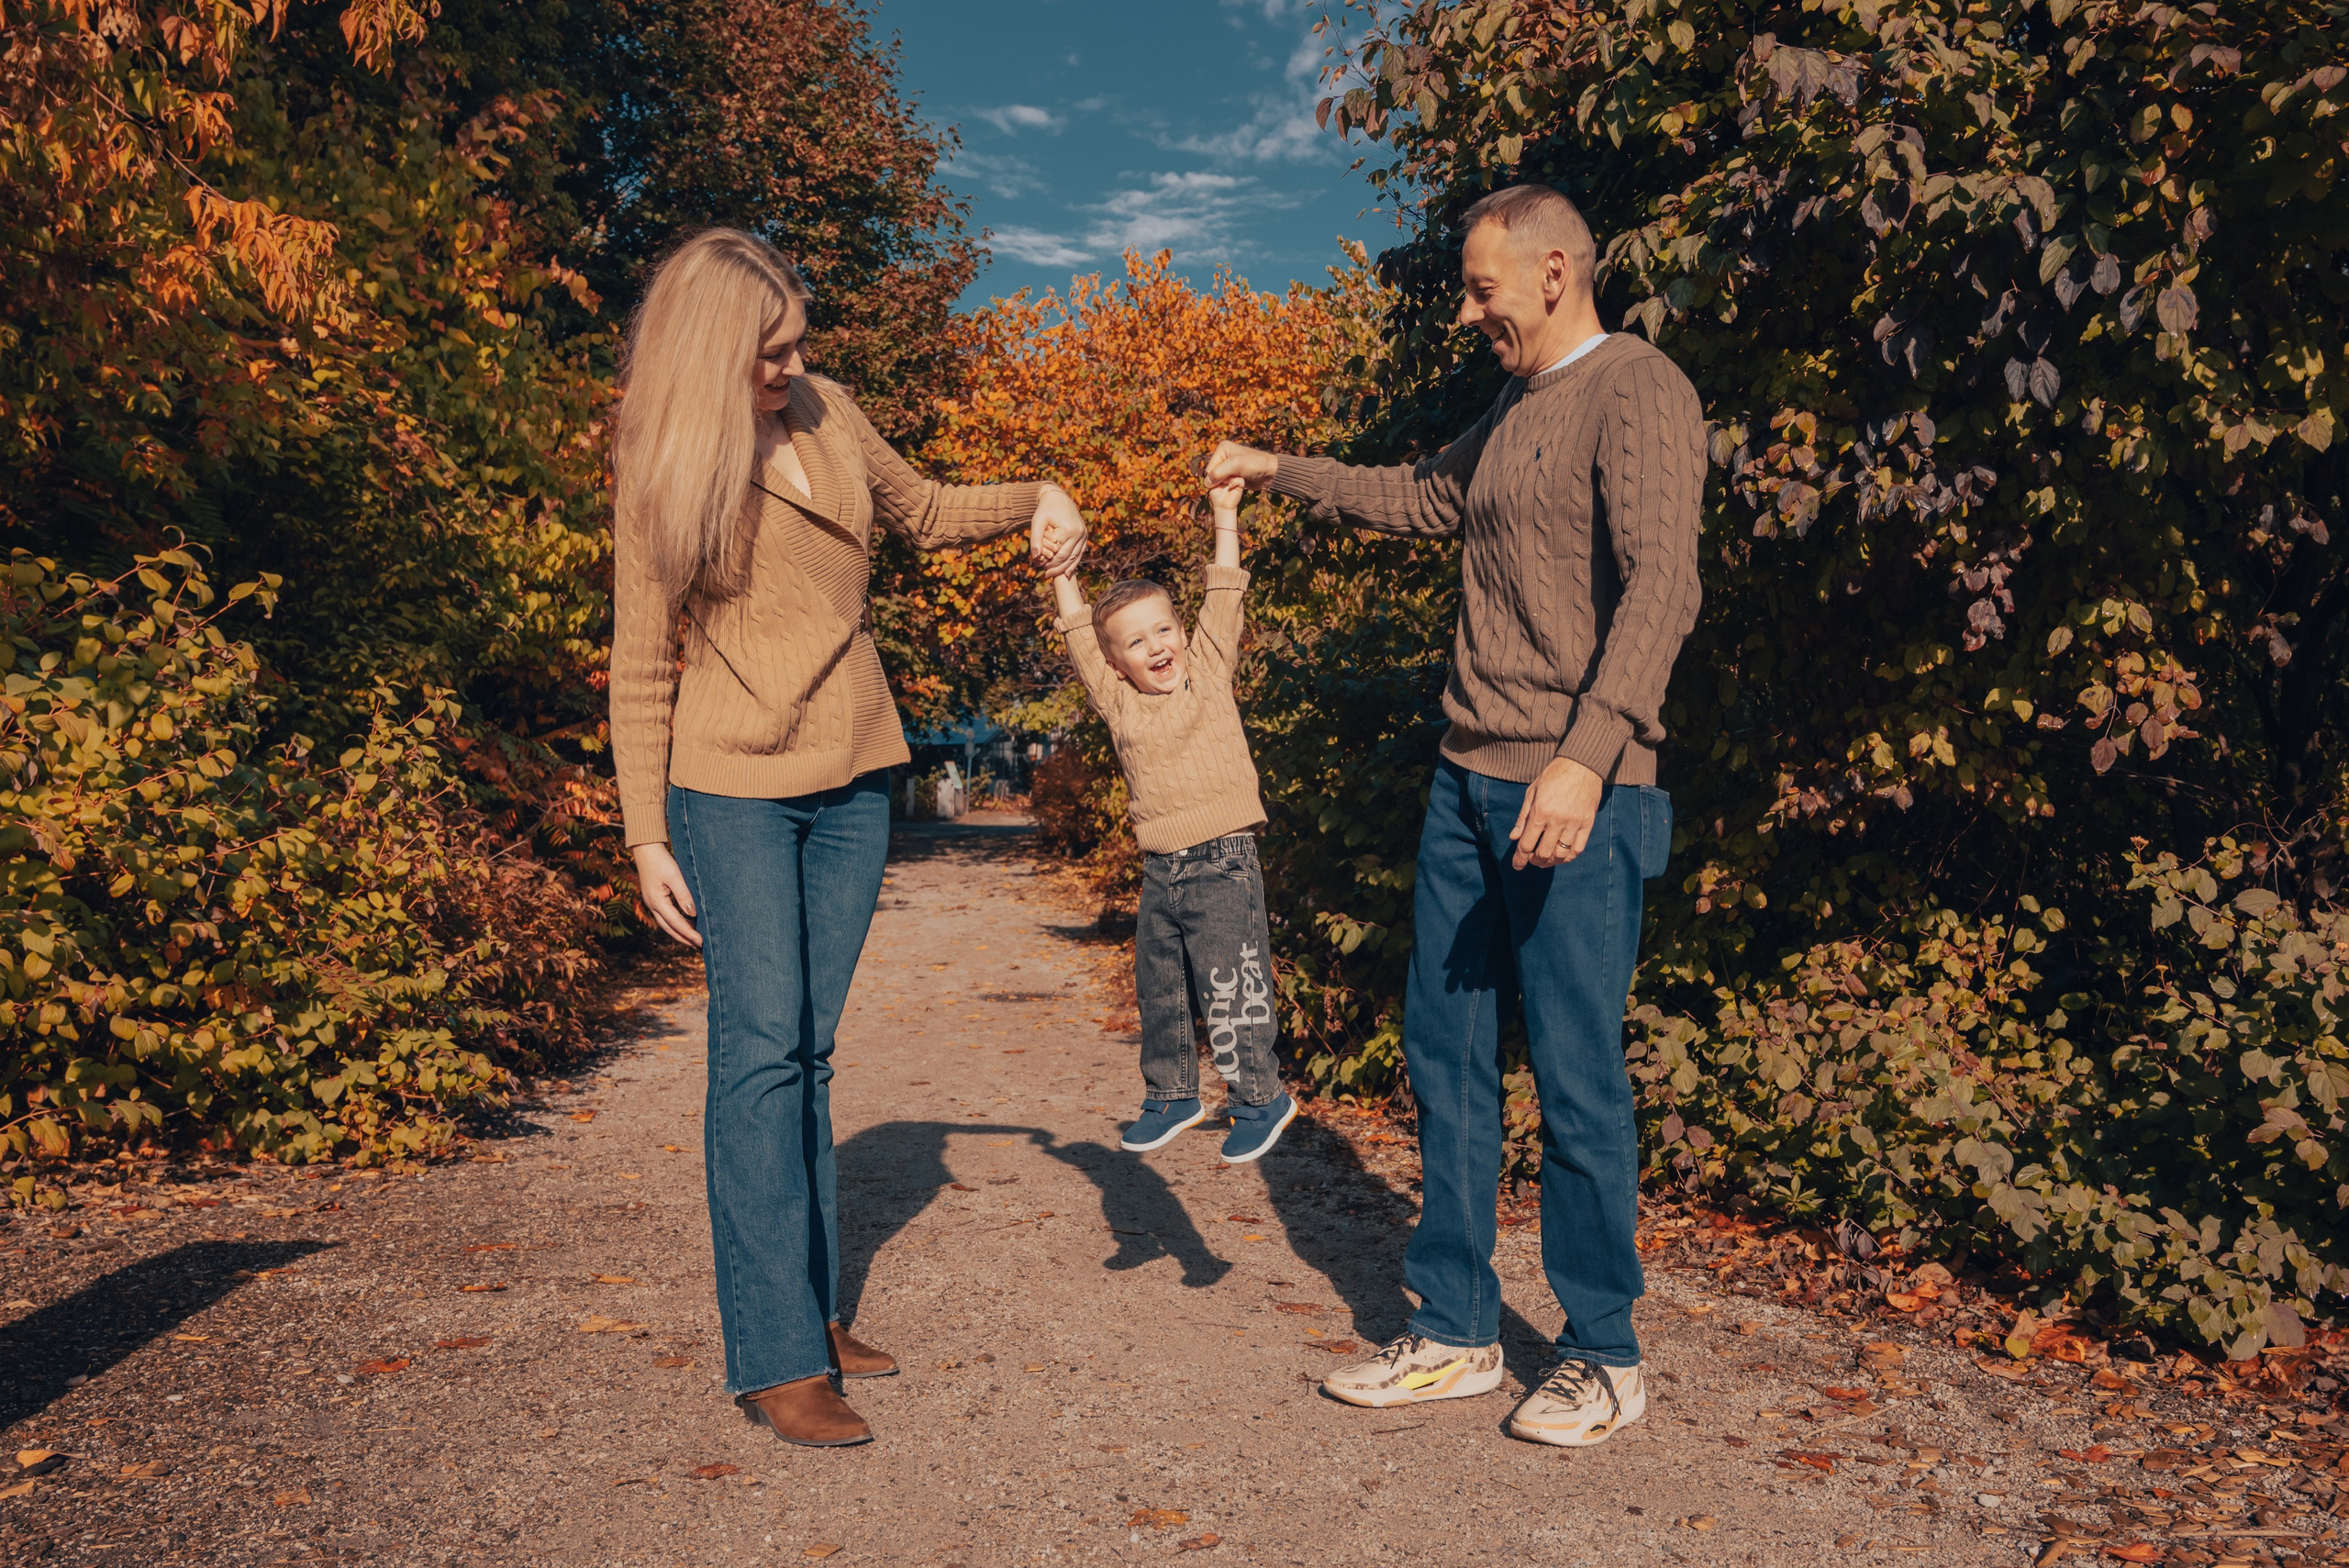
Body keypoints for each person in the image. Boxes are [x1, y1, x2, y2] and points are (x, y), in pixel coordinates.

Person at [1207, 183, 1704, 1447]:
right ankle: (1457, 1331)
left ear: (1553, 271)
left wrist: (1589, 758)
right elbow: (1425, 495)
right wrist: (1281, 470)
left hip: (1574, 791)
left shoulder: (1635, 385)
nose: (1468, 308)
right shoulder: (1517, 406)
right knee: (1448, 1063)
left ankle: (1604, 1351)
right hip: (1467, 781)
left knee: (1581, 1079)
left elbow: (1662, 590)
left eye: (1483, 286)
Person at [608, 228, 1089, 1448]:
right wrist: (645, 832)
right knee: (759, 1052)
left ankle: (816, 1311)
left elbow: (923, 510)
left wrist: (1039, 492)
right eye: (775, 351)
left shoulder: (829, 410)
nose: (798, 362)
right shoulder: (661, 457)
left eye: (801, 340)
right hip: (732, 786)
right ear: (717, 352)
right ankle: (772, 1354)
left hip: (858, 769)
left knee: (812, 1052)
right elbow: (637, 666)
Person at [1048, 477, 1296, 1163]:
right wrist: (1063, 575)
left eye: (1164, 630)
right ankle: (1172, 1094)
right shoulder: (1119, 703)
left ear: (1184, 635)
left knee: (1232, 983)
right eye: (1136, 641)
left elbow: (1224, 591)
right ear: (1117, 663)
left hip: (1223, 861)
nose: (1156, 646)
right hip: (1164, 867)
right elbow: (1076, 640)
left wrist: (1224, 513)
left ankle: (1259, 1098)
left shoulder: (1209, 673)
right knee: (1158, 986)